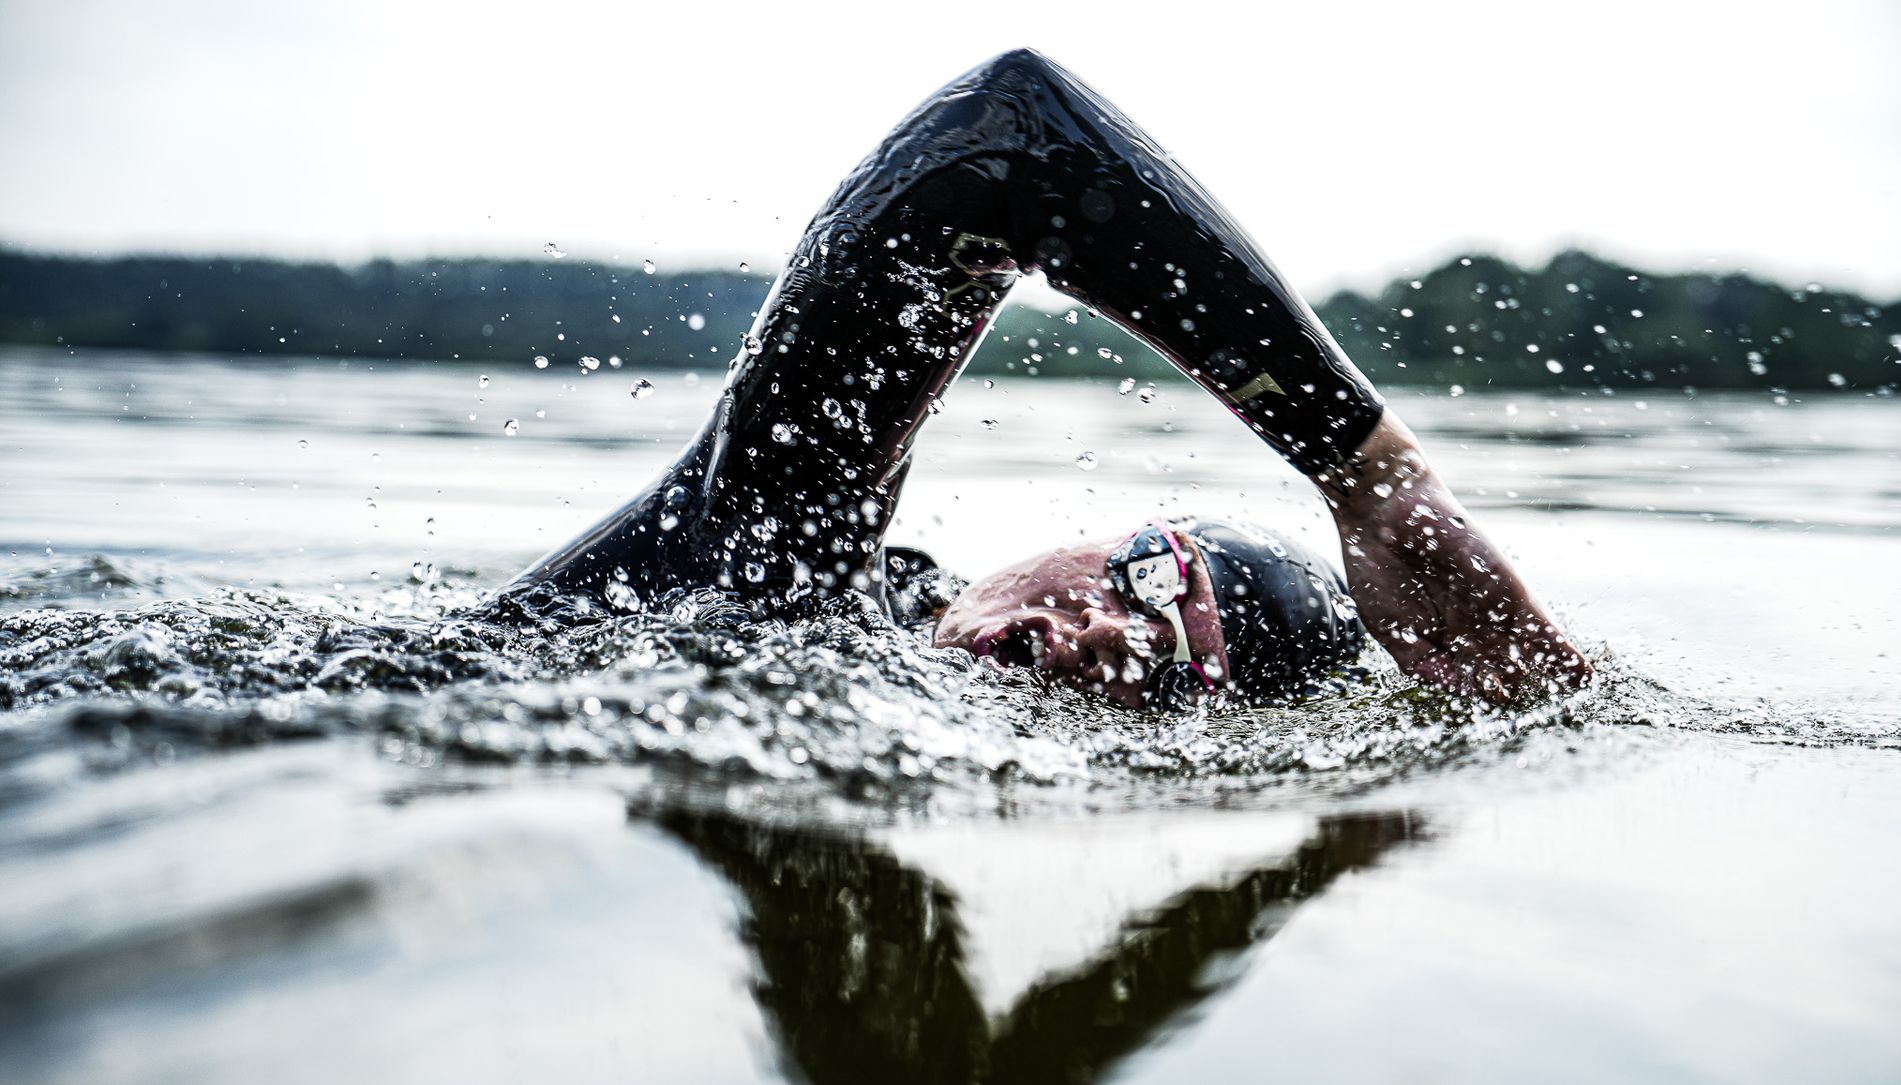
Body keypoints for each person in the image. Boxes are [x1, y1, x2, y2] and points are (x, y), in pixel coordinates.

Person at [493, 48, 1592, 707]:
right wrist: (1374, 480)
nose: (1115, 638)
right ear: (1105, 532)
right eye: (1150, 582)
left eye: (1172, 673)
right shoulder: (770, 558)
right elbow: (1009, 134)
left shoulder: (846, 681)